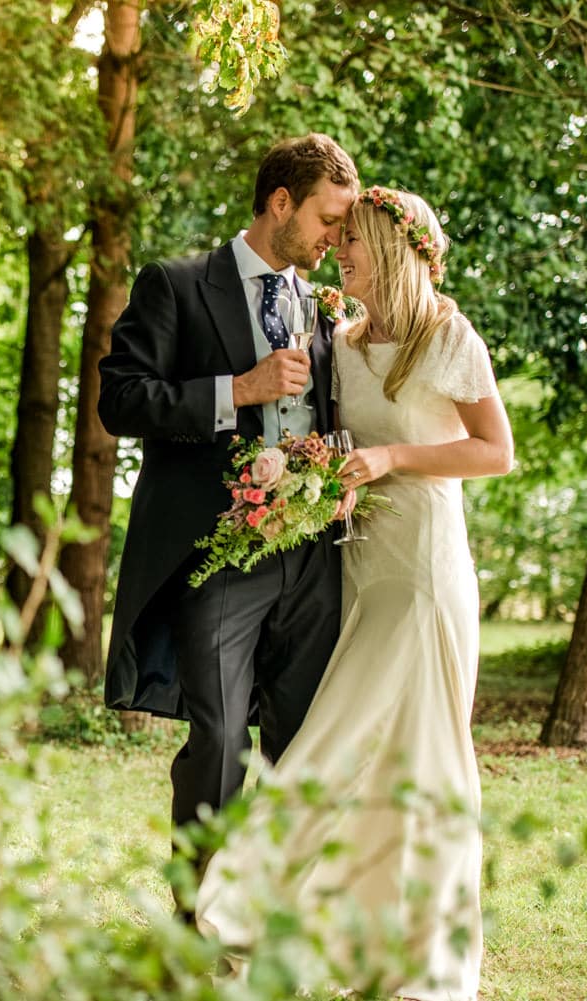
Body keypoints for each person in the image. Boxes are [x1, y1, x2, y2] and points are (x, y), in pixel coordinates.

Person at [195, 185, 514, 1001]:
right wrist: (313, 483)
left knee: (415, 747)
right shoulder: (344, 337)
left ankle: (422, 951)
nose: (341, 252)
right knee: (360, 746)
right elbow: (342, 444)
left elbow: (493, 453)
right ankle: (329, 927)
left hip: (424, 567)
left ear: (394, 250)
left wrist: (393, 462)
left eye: (355, 242)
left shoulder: (447, 335)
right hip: (360, 559)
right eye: (340, 240)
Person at [96, 134, 359, 904]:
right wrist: (234, 390)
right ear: (281, 203)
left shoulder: (321, 303)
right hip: (221, 551)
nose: (336, 238)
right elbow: (121, 400)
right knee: (217, 738)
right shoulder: (177, 285)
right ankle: (195, 917)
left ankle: (278, 911)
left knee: (306, 735)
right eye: (328, 218)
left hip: (313, 555)